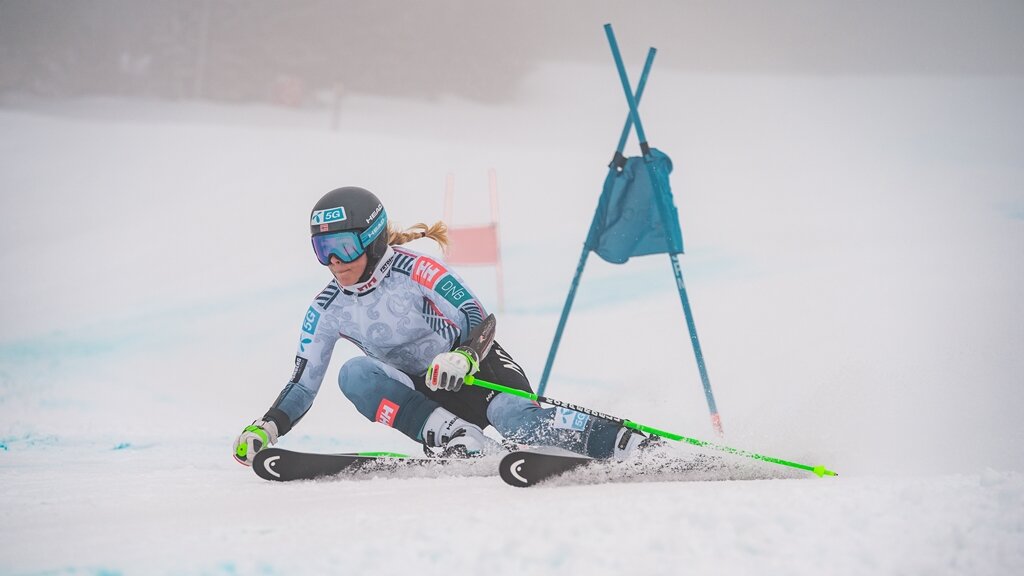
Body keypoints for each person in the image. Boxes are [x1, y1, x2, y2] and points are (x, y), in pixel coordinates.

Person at [233, 186, 649, 466]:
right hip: (423, 396)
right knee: (354, 374)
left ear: (373, 239)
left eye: (342, 246)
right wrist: (268, 426)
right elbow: (304, 384)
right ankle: (456, 438)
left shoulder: (415, 269)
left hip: (476, 371)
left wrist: (464, 355)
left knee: (519, 423)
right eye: (322, 250)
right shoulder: (327, 308)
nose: (334, 262)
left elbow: (479, 317)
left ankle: (624, 443)